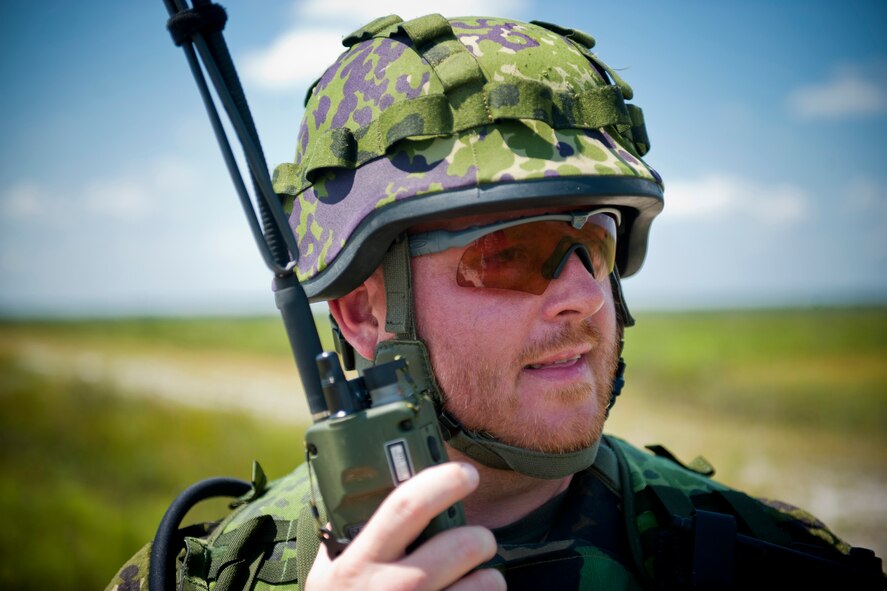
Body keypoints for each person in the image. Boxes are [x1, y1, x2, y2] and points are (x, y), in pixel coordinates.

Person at [108, 14, 883, 591]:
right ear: (361, 310)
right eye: (511, 254)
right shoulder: (210, 575)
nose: (583, 295)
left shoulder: (769, 559)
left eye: (596, 241)